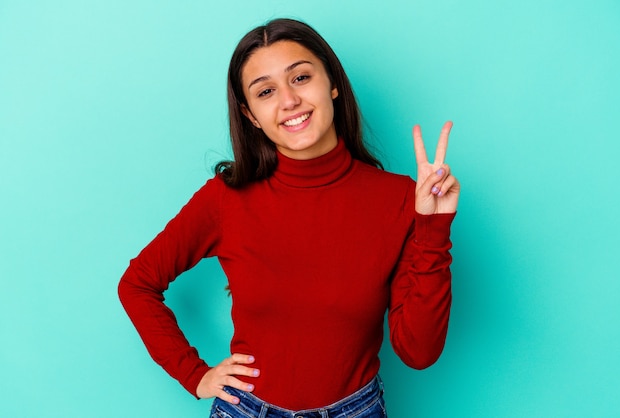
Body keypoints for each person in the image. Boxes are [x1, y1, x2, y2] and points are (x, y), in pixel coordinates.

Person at [118, 18, 460, 418]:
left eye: (300, 78)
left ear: (332, 83)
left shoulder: (401, 198)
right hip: (247, 410)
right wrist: (194, 374)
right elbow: (137, 283)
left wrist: (433, 229)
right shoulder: (226, 198)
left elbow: (418, 352)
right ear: (250, 115)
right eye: (266, 91)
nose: (289, 100)